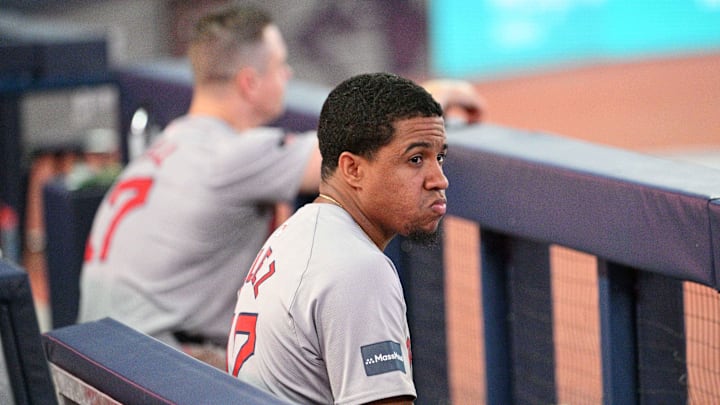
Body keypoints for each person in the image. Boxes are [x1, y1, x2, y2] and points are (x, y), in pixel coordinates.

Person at [79, 4, 483, 366]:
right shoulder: (232, 155)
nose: (287, 75)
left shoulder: (164, 147)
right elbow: (360, 145)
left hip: (96, 357)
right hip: (152, 368)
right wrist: (437, 95)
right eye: (279, 65)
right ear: (249, 83)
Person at [227, 72, 449, 404]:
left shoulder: (295, 234)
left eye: (440, 157)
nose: (439, 180)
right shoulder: (358, 270)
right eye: (415, 159)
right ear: (353, 170)